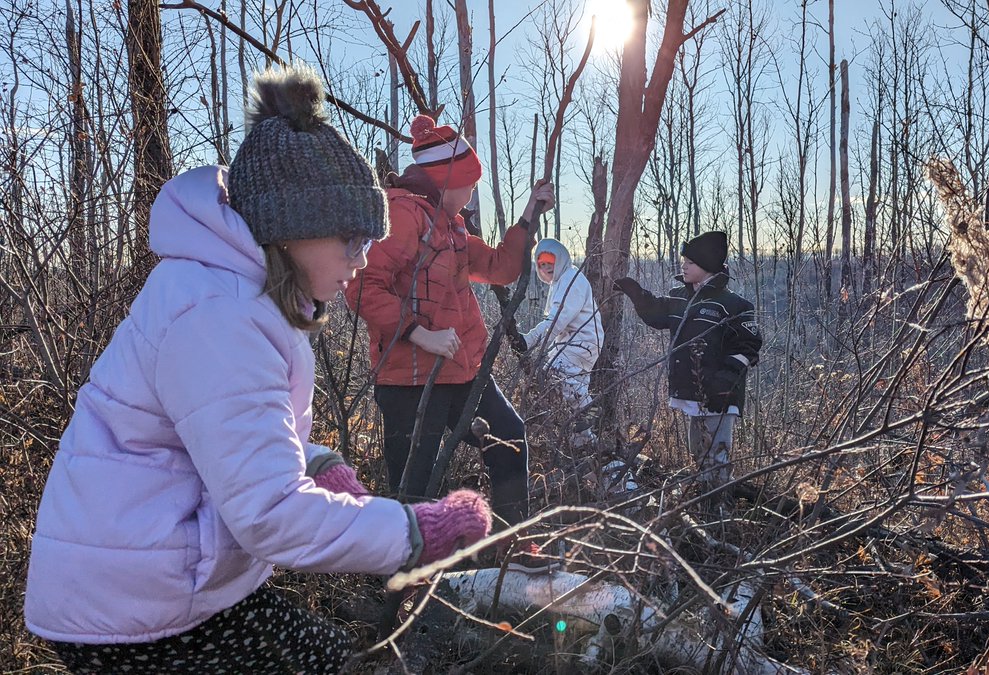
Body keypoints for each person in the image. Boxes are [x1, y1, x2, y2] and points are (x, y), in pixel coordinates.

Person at [23, 63, 492, 674]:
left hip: (160, 578)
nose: (364, 256)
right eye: (350, 238)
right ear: (288, 232)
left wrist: (318, 464)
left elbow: (241, 432)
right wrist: (414, 532)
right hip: (130, 608)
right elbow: (271, 513)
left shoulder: (244, 297)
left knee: (327, 656)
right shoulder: (219, 318)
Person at [347, 114, 556, 564]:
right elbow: (361, 286)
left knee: (509, 435)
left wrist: (526, 217)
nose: (470, 193)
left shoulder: (453, 226)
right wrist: (420, 333)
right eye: (467, 183)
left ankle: (510, 544)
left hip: (463, 369)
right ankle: (406, 576)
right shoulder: (402, 215)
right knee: (414, 484)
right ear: (446, 180)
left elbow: (501, 267)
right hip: (410, 379)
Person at [612, 231, 762, 504]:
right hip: (694, 392)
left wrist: (726, 380)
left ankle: (719, 510)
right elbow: (657, 313)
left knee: (717, 453)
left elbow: (748, 346)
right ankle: (704, 500)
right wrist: (636, 293)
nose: (683, 266)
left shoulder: (733, 305)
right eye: (684, 261)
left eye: (690, 262)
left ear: (707, 268)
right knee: (697, 450)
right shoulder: (679, 297)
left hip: (720, 396)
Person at [507, 238, 604, 446]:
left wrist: (529, 340)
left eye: (550, 260)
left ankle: (590, 411)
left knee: (557, 373)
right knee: (572, 382)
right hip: (574, 342)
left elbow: (557, 321)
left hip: (582, 342)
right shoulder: (561, 281)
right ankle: (584, 443)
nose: (546, 266)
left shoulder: (570, 279)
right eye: (541, 263)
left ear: (560, 259)